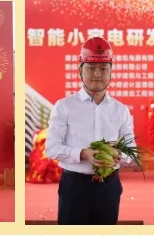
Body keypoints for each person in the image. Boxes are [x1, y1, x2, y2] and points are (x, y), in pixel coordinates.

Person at [45, 37, 135, 225]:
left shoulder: (121, 110)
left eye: (104, 68)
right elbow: (52, 148)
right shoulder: (64, 106)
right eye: (91, 68)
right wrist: (84, 154)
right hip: (75, 186)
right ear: (80, 70)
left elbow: (131, 150)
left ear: (111, 71)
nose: (97, 74)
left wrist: (120, 155)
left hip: (109, 186)